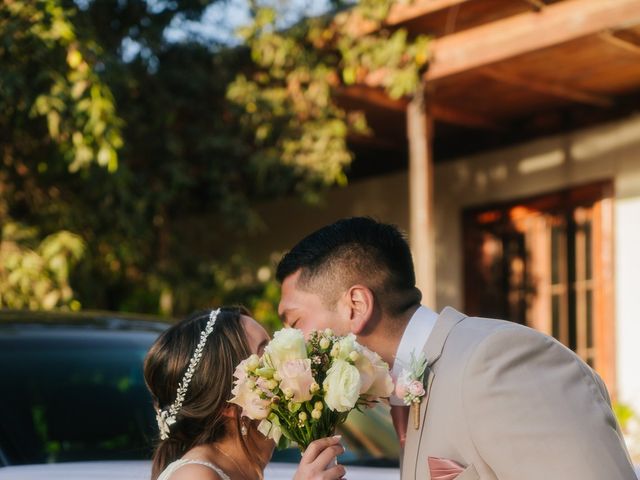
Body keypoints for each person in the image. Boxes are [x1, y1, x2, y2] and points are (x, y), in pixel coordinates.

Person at [276, 217, 636, 480]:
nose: (293, 347)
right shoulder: (402, 395)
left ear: (356, 305)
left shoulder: (497, 360)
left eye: (294, 324)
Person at [143, 307, 346, 480]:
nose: (288, 360)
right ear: (228, 404)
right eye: (266, 355)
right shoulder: (194, 475)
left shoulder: (245, 471)